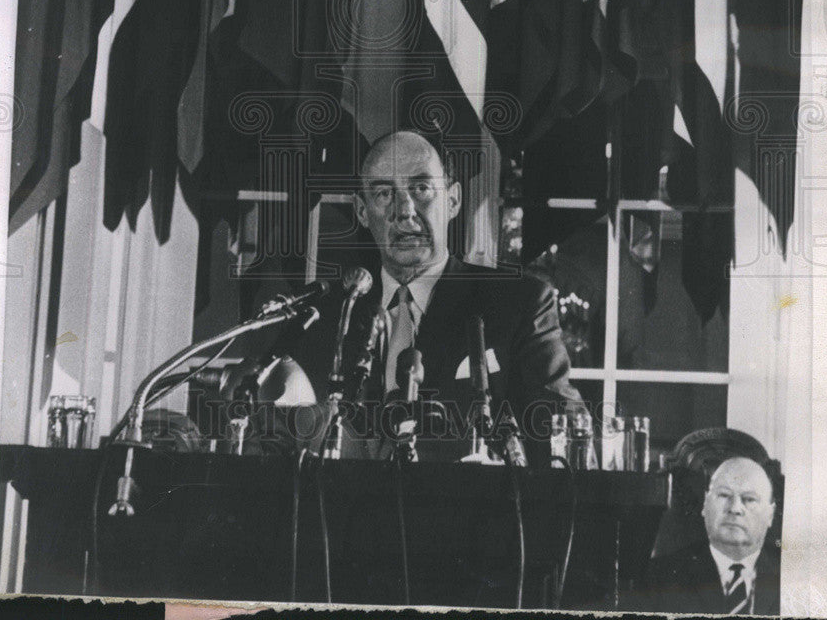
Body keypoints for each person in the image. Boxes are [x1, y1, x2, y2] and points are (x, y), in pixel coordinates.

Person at [284, 129, 581, 457]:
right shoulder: (327, 318)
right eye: (384, 194)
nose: (405, 210)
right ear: (362, 211)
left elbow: (563, 434)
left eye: (421, 188)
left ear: (453, 201)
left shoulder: (519, 303)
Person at [632, 456, 780, 614]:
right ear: (705, 504)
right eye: (724, 495)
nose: (735, 508)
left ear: (770, 514)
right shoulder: (659, 578)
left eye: (749, 499)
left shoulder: (794, 576)